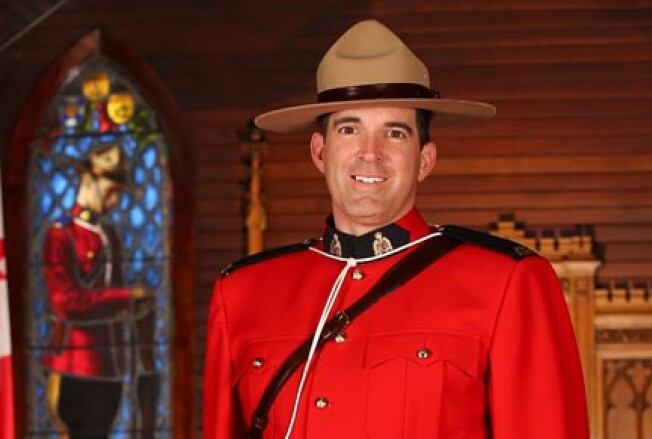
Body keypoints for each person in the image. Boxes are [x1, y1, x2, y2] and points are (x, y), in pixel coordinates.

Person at [203, 20, 588, 439]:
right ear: (320, 151)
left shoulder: (507, 282)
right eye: (349, 129)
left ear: (424, 159)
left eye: (395, 133)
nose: (370, 154)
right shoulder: (242, 292)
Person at [42, 142, 159, 438]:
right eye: (112, 189)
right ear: (87, 179)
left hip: (111, 365)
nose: (117, 200)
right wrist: (127, 299)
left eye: (120, 192)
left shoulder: (110, 235)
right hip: (76, 362)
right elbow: (66, 303)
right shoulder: (60, 235)